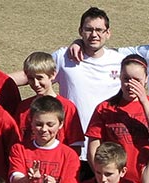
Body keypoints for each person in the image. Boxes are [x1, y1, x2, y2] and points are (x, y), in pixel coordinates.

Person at [53, 8, 130, 139]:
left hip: (108, 142)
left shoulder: (120, 61)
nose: (94, 35)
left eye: (99, 30)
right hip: (72, 140)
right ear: (80, 31)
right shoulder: (64, 57)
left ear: (108, 33)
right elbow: (34, 74)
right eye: (88, 29)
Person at [8, 95, 80, 183]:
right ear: (31, 122)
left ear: (60, 124)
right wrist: (28, 179)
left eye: (50, 124)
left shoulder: (69, 155)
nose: (44, 129)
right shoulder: (20, 149)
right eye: (39, 124)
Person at [85, 55, 149, 176]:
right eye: (126, 79)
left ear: (146, 79)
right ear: (120, 77)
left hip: (148, 178)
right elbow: (93, 146)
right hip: (115, 180)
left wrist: (144, 101)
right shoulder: (105, 108)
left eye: (137, 80)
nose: (130, 85)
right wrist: (101, 176)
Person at [16, 52, 85, 160]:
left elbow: (75, 146)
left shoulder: (67, 107)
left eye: (40, 78)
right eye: (31, 78)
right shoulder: (23, 107)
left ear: (52, 75)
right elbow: (17, 141)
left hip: (58, 165)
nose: (36, 83)